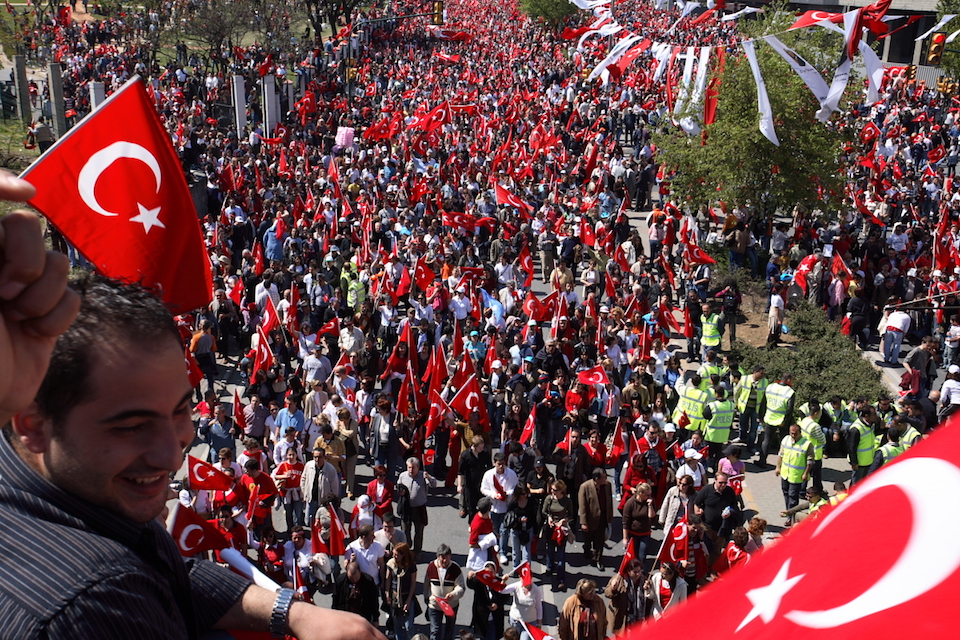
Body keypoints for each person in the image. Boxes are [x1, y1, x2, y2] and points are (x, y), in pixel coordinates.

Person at [1, 260, 383, 640]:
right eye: (132, 426)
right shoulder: (89, 608)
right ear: (34, 426)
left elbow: (170, 574)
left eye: (181, 408)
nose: (173, 457)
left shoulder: (86, 490)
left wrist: (293, 613)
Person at [481, 452, 520, 564]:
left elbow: (515, 487)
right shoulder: (488, 475)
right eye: (499, 464)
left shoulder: (511, 474)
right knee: (494, 529)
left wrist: (508, 493)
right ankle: (495, 546)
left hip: (506, 507)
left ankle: (503, 552)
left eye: (503, 464)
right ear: (494, 463)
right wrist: (493, 495)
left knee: (504, 530)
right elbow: (483, 489)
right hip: (493, 507)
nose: (501, 466)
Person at [425, 544, 466, 640]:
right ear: (438, 557)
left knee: (449, 629)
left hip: (451, 605)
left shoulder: (455, 569)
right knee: (435, 630)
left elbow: (461, 587)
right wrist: (428, 597)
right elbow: (426, 584)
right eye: (442, 558)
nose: (444, 560)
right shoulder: (431, 566)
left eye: (447, 558)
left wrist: (453, 594)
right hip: (435, 604)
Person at [776, 424, 814, 527]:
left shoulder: (807, 444)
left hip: (797, 476)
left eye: (795, 433)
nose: (793, 435)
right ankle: (789, 512)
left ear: (800, 432)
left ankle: (790, 517)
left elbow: (810, 461)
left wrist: (806, 473)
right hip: (785, 474)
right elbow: (781, 454)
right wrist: (777, 467)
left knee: (793, 497)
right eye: (791, 433)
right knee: (786, 493)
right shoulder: (786, 440)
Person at [397, 456, 437, 555]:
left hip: (419, 508)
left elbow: (434, 484)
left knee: (418, 532)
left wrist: (429, 478)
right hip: (406, 508)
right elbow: (398, 486)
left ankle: (417, 551)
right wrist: (400, 491)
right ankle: (407, 549)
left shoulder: (423, 476)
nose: (411, 470)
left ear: (418, 467)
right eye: (409, 467)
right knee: (405, 530)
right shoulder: (403, 476)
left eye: (413, 467)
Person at [578, 468, 613, 571]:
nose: (605, 480)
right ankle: (587, 548)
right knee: (588, 539)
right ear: (596, 479)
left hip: (602, 518)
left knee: (599, 541)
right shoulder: (585, 487)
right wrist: (583, 522)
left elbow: (609, 502)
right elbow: (582, 506)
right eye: (603, 478)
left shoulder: (607, 485)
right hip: (590, 519)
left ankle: (598, 559)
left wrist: (609, 517)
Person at [542, 479, 573, 592]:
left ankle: (561, 578)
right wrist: (549, 518)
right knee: (550, 549)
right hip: (551, 529)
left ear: (561, 491)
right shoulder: (549, 499)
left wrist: (564, 520)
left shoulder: (567, 501)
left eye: (555, 490)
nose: (552, 492)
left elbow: (571, 514)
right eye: (552, 489)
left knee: (561, 555)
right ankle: (550, 567)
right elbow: (544, 511)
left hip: (561, 530)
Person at [759, 372, 795, 468]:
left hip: (770, 418)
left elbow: (763, 403)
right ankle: (784, 464)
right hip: (782, 420)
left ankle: (762, 461)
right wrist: (785, 422)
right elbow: (789, 410)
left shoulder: (770, 387)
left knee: (767, 441)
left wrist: (761, 416)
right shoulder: (790, 392)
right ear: (788, 380)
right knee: (784, 443)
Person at [385, 542, 419, 640]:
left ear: (403, 555)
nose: (394, 556)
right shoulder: (391, 563)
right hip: (395, 598)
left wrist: (408, 600)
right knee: (397, 625)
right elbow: (388, 579)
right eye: (393, 554)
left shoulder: (411, 565)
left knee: (409, 626)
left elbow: (413, 583)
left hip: (406, 596)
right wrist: (387, 594)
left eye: (396, 555)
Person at [605, 558, 647, 632]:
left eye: (639, 571)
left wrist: (648, 590)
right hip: (622, 616)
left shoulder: (644, 580)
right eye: (635, 572)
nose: (638, 574)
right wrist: (613, 589)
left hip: (638, 617)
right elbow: (607, 594)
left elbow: (648, 598)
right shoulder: (619, 579)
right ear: (628, 571)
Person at [459, 435, 493, 520]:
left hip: (482, 484)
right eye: (480, 447)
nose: (482, 449)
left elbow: (489, 468)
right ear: (474, 446)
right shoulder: (465, 455)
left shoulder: (485, 454)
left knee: (484, 506)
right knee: (471, 507)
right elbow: (461, 472)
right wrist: (459, 485)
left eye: (483, 447)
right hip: (470, 485)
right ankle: (472, 525)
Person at [620, 482, 656, 561]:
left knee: (642, 556)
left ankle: (642, 571)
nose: (649, 496)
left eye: (650, 494)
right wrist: (625, 538)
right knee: (633, 556)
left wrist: (650, 506)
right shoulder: (630, 503)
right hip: (633, 534)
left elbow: (652, 518)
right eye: (647, 495)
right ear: (640, 493)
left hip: (645, 534)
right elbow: (625, 522)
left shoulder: (650, 502)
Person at [502, 575, 543, 640]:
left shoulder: (536, 590)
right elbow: (502, 590)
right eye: (523, 578)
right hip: (516, 620)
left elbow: (539, 606)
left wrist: (539, 622)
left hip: (530, 622)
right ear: (519, 577)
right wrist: (503, 581)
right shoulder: (516, 586)